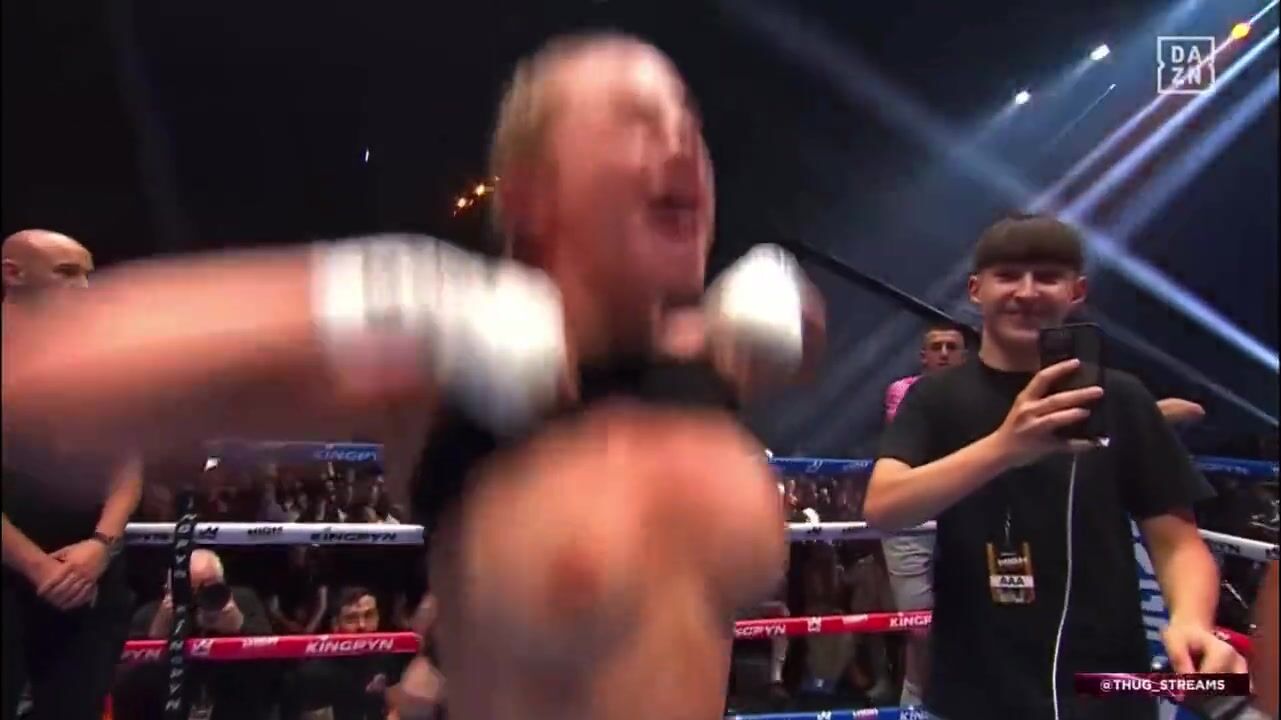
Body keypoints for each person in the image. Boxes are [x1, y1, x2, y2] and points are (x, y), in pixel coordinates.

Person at [0, 33, 823, 720]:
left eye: (687, 121)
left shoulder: (716, 355)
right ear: (532, 192)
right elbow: (48, 384)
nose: (678, 141)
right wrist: (418, 307)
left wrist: (794, 316)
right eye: (636, 121)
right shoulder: (444, 368)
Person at [864, 213, 1242, 720]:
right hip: (974, 684)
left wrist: (1192, 620)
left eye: (1047, 277)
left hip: (1105, 685)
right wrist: (1005, 446)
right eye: (1008, 276)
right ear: (975, 290)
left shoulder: (1120, 397)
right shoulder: (935, 397)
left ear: (1076, 291)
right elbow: (883, 506)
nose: (1027, 292)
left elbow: (1176, 540)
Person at [1, 229, 142, 720]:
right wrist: (37, 567)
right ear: (13, 274)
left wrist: (101, 546)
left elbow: (128, 463)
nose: (83, 288)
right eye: (66, 273)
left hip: (89, 569)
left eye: (87, 275)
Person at [880, 322, 968, 708]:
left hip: (964, 516)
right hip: (913, 521)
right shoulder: (904, 391)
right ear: (923, 356)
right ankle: (914, 707)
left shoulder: (982, 394)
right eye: (937, 346)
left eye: (952, 346)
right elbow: (914, 446)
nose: (944, 353)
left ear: (965, 356)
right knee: (920, 629)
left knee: (969, 623)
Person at [115, 549, 277, 720]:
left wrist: (241, 629)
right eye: (188, 590)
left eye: (209, 587)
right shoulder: (149, 614)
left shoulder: (243, 602)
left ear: (223, 584)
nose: (198, 598)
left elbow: (272, 673)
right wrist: (156, 639)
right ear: (168, 589)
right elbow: (122, 685)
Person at [294, 587, 407, 720]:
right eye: (351, 618)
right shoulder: (315, 673)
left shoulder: (387, 658)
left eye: (369, 615)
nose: (362, 625)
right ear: (335, 624)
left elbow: (394, 709)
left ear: (377, 618)